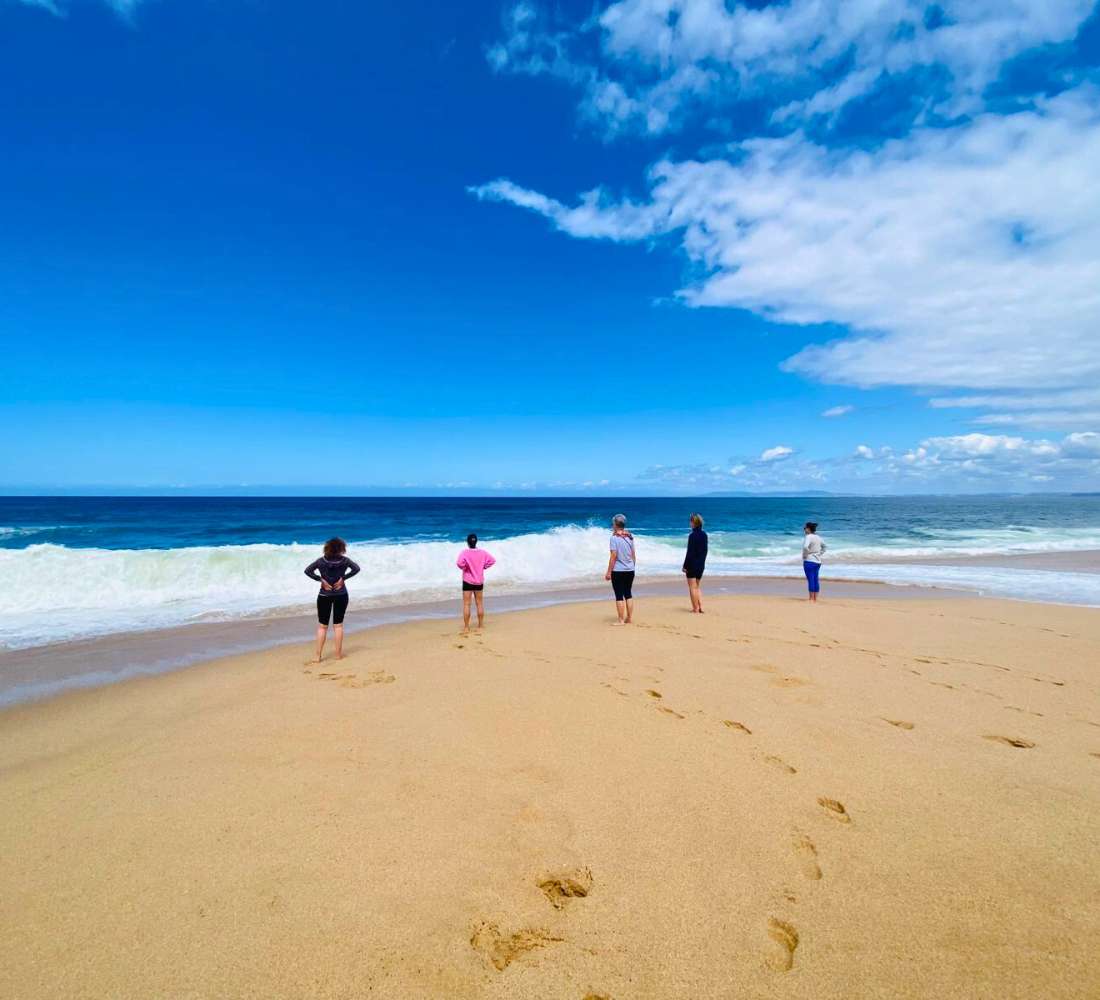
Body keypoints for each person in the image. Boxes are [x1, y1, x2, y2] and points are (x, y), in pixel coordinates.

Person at [304, 538, 361, 662]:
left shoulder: (321, 561)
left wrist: (321, 580)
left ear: (327, 548)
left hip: (324, 595)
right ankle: (338, 655)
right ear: (341, 548)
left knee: (322, 627)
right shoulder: (345, 561)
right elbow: (356, 569)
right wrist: (343, 578)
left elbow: (307, 571)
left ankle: (317, 656)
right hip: (341, 595)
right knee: (338, 625)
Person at [457, 533, 496, 633]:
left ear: (468, 542)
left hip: (467, 581)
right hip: (479, 581)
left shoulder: (465, 552)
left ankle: (466, 627)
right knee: (479, 603)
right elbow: (492, 560)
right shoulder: (482, 552)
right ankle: (481, 625)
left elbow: (459, 563)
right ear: (476, 542)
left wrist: (465, 568)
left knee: (467, 604)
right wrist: (484, 566)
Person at [604, 513, 636, 625]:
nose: (612, 525)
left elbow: (613, 556)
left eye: (613, 523)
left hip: (618, 571)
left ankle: (621, 620)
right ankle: (629, 618)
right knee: (628, 593)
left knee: (619, 595)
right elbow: (633, 555)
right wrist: (632, 567)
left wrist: (608, 572)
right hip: (630, 569)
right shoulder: (630, 536)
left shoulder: (614, 538)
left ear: (616, 525)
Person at [683, 513, 708, 613]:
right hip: (701, 565)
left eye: (691, 521)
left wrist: (685, 566)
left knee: (692, 587)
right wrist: (702, 563)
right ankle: (700, 606)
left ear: (694, 523)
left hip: (692, 564)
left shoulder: (692, 536)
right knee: (697, 586)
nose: (690, 523)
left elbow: (690, 553)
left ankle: (695, 608)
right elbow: (705, 551)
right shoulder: (704, 535)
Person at [802, 521, 826, 602]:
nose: (804, 529)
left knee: (811, 579)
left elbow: (805, 547)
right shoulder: (818, 537)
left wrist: (806, 554)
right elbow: (825, 547)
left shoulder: (808, 537)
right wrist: (819, 554)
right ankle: (815, 598)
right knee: (815, 579)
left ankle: (811, 599)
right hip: (818, 561)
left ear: (808, 529)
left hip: (809, 561)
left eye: (805, 528)